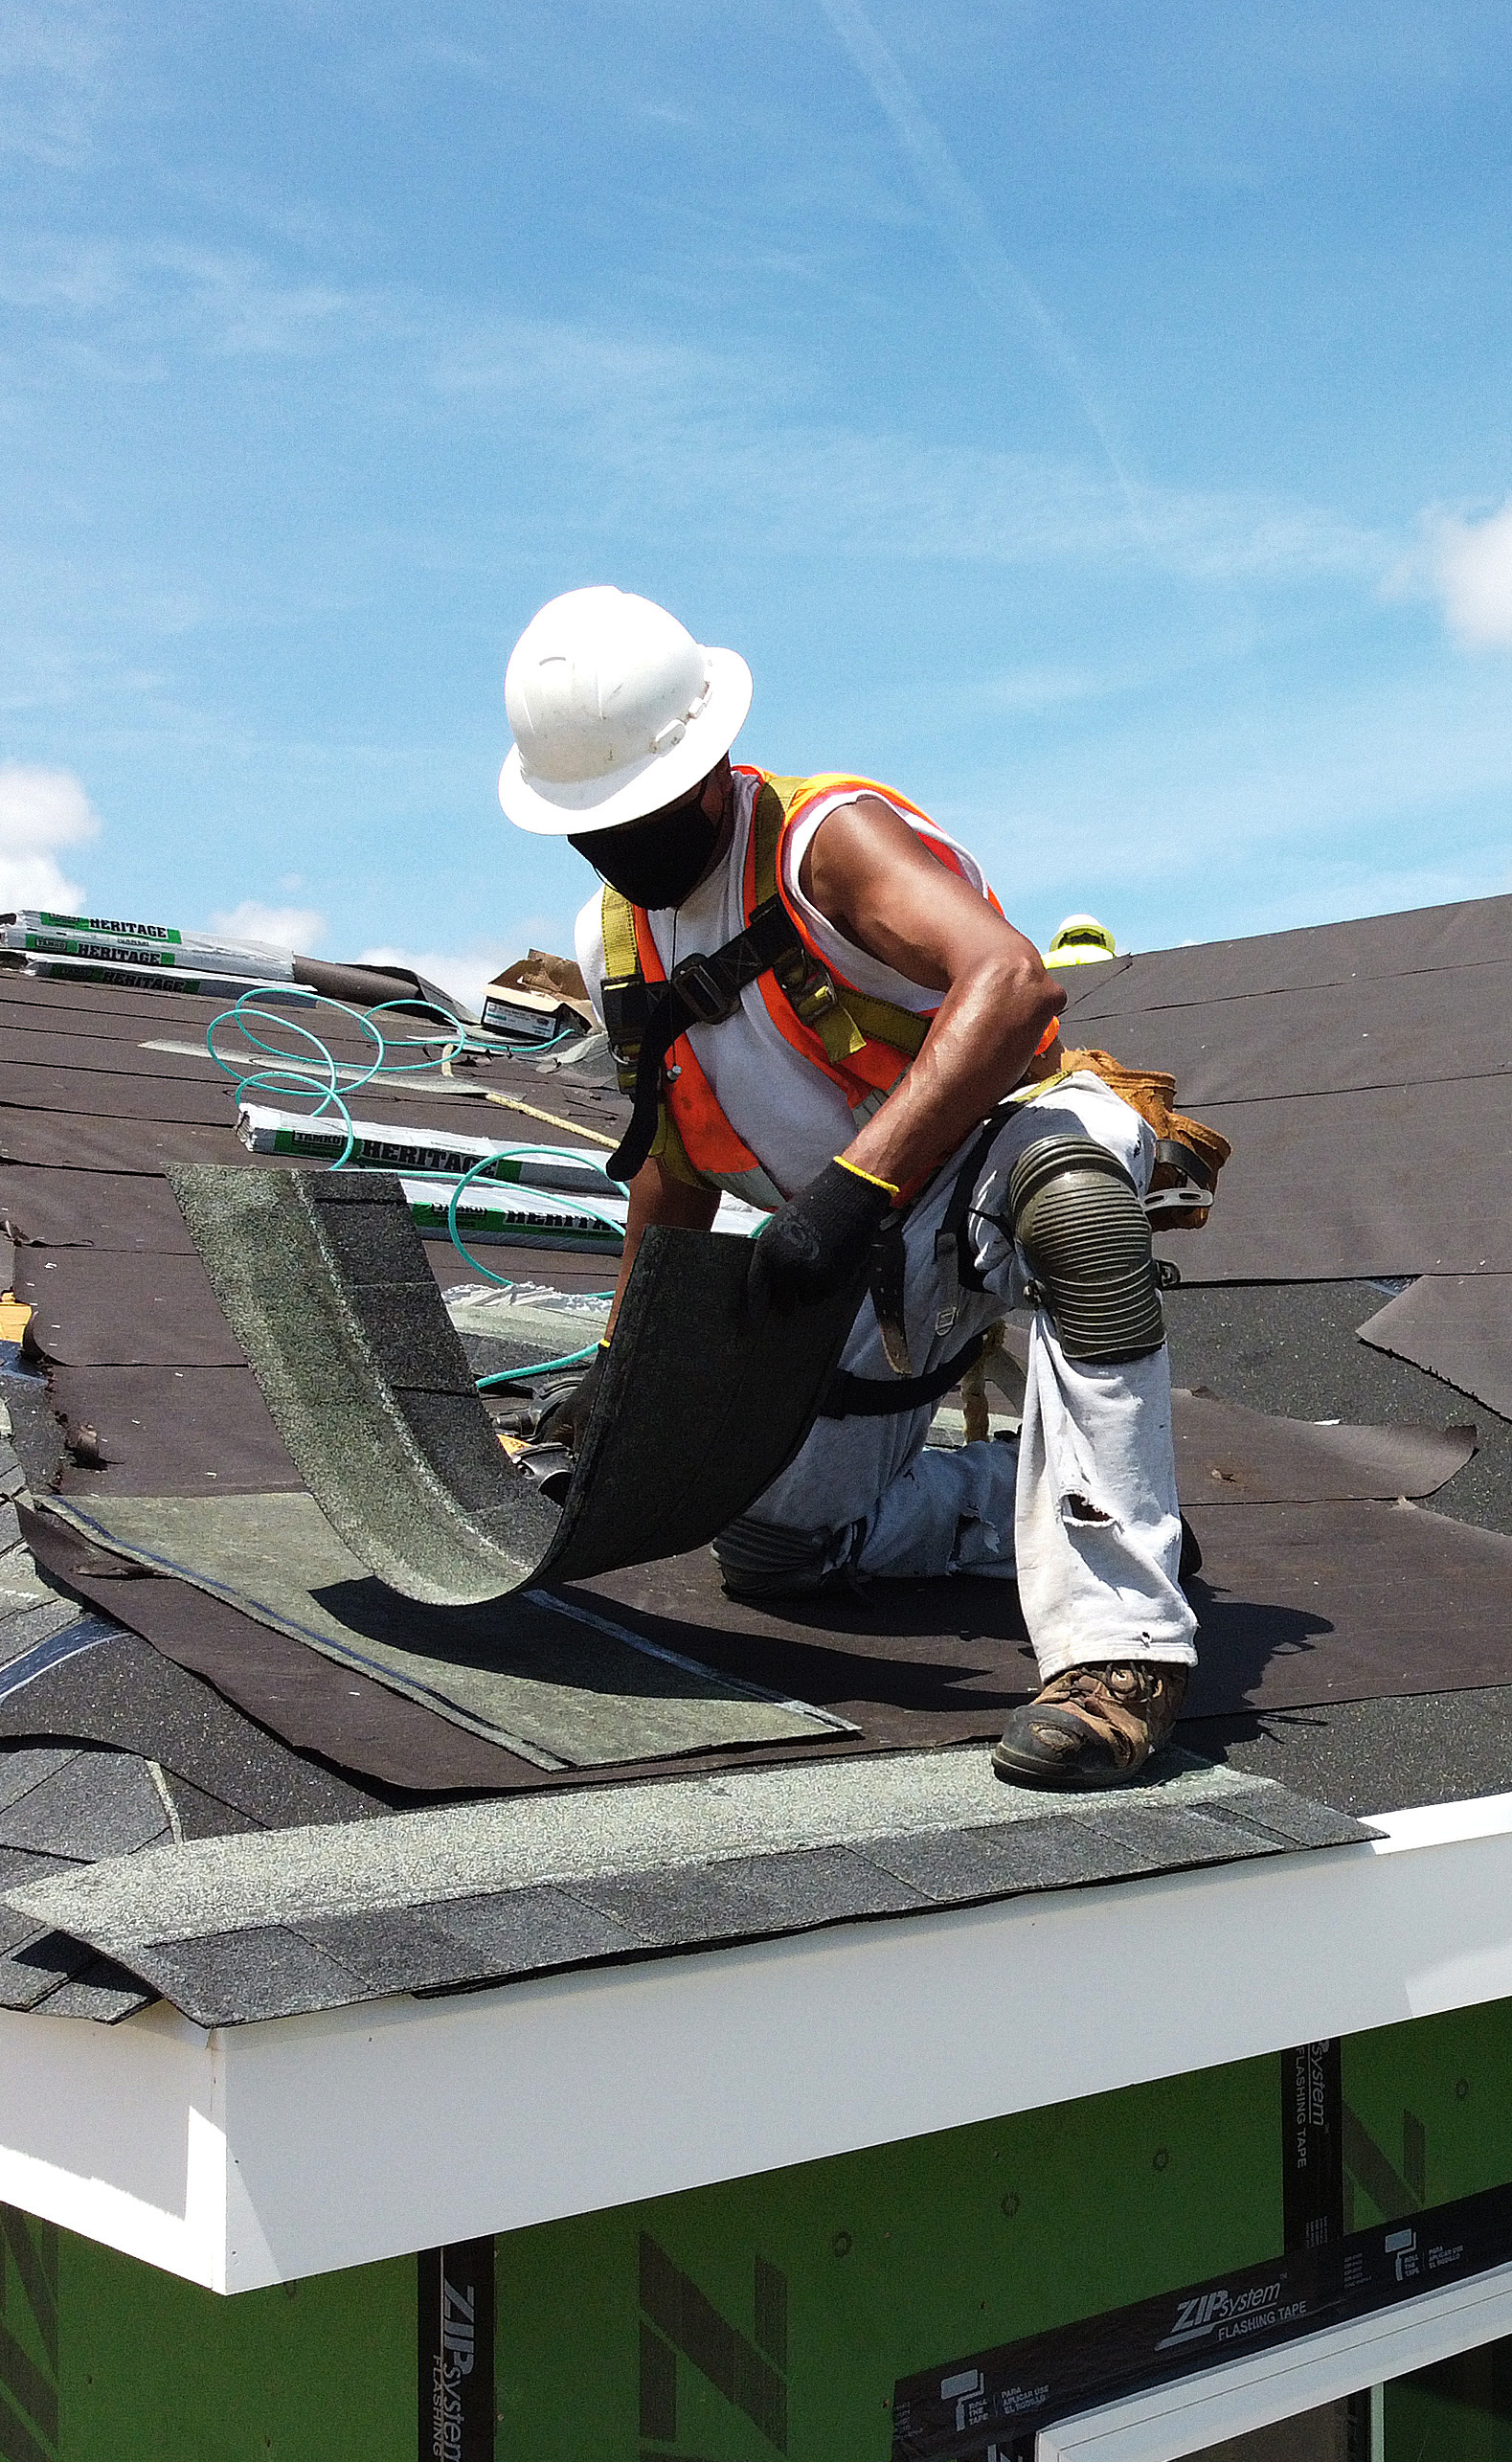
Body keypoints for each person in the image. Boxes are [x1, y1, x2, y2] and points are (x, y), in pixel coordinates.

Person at [493, 585, 1194, 1790]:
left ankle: (1122, 1651)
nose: (623, 844)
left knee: (1074, 1200)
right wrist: (624, 1360)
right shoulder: (622, 936)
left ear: (710, 766)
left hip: (993, 1151)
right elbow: (671, 1163)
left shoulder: (826, 839)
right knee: (778, 1552)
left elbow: (1010, 984)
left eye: (641, 811)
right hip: (866, 1241)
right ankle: (1031, 1498)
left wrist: (855, 1189)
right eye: (592, 824)